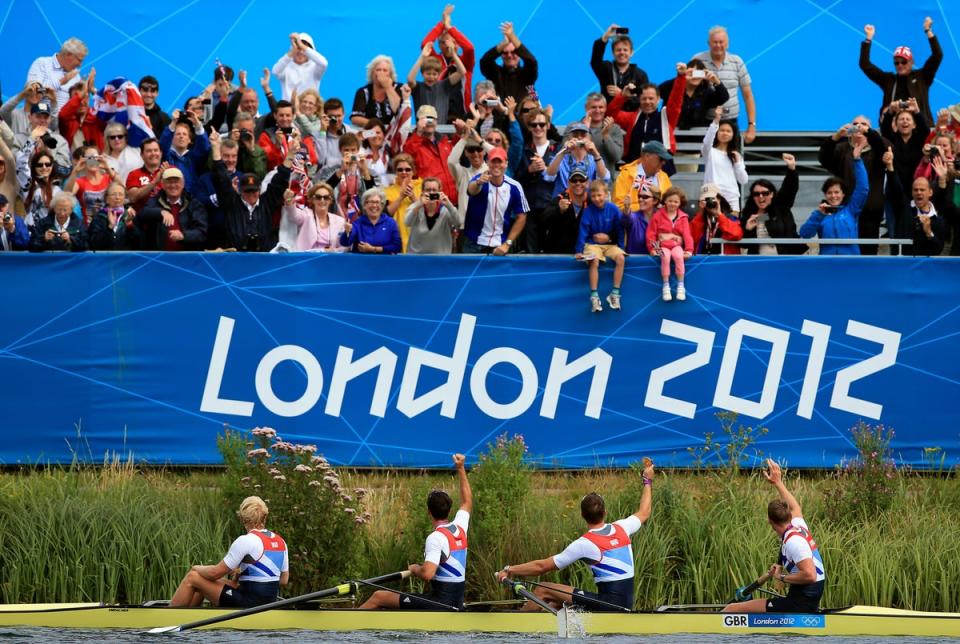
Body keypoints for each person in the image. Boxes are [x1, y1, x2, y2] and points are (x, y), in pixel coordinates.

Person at [496, 459, 653, 612]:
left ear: (582, 516)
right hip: (625, 604)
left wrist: (510, 569)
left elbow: (542, 567)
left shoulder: (585, 543)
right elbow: (644, 512)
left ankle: (517, 629)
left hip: (608, 606)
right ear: (605, 513)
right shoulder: (622, 528)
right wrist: (647, 482)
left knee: (542, 590)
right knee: (557, 602)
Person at [361, 453, 471, 610]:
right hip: (456, 602)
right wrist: (460, 468)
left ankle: (345, 630)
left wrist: (414, 569)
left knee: (379, 596)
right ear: (449, 509)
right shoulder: (460, 527)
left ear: (428, 512)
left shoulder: (435, 538)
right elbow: (467, 501)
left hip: (440, 604)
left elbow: (427, 574)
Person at [723, 459, 825, 614]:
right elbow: (795, 506)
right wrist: (778, 482)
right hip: (802, 599)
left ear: (769, 521)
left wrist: (781, 577)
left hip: (800, 604)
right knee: (742, 607)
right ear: (788, 516)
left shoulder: (794, 542)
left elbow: (810, 576)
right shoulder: (797, 525)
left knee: (731, 609)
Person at [170, 496, 289, 608]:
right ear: (265, 517)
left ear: (243, 519)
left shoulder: (246, 540)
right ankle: (190, 616)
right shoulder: (281, 541)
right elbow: (283, 580)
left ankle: (170, 617)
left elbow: (214, 573)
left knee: (193, 577)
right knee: (204, 581)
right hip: (269, 602)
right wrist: (253, 578)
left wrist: (195, 567)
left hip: (250, 603)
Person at [818, 116, 892, 255]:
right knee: (845, 250)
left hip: (870, 209)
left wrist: (869, 132)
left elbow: (887, 147)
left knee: (868, 252)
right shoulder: (841, 148)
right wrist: (836, 137)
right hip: (845, 209)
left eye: (863, 124)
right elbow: (824, 159)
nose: (859, 126)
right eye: (855, 124)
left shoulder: (878, 148)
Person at [211, 130, 293, 252]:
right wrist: (215, 147)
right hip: (235, 258)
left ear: (260, 190)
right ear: (240, 191)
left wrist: (291, 154)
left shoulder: (266, 203)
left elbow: (279, 181)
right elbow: (221, 178)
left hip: (263, 259)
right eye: (247, 191)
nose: (251, 195)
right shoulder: (232, 203)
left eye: (254, 191)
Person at [860, 18, 942, 126]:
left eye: (904, 62)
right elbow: (865, 64)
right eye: (896, 63)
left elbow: (937, 55)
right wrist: (868, 39)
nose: (900, 65)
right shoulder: (888, 80)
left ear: (912, 62)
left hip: (920, 129)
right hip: (894, 131)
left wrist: (928, 30)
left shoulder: (922, 76)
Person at [607, 65, 685, 166]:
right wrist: (622, 96)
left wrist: (681, 77)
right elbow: (610, 115)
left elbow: (676, 100)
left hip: (660, 170)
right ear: (639, 99)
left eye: (651, 98)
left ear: (658, 99)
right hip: (634, 169)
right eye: (644, 98)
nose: (647, 102)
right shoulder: (632, 118)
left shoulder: (666, 117)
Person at [800, 143, 868, 255]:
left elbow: (863, 188)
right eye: (829, 193)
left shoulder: (851, 210)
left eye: (837, 192)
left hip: (851, 261)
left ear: (843, 194)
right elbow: (805, 234)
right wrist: (819, 215)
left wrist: (857, 159)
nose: (833, 196)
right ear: (825, 195)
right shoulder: (819, 214)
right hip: (827, 263)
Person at [693, 26, 757, 144]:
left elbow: (748, 96)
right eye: (715, 42)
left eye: (721, 42)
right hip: (706, 122)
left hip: (731, 123)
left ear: (727, 44)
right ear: (708, 43)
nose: (718, 45)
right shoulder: (698, 60)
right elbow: (689, 88)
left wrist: (751, 125)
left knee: (732, 159)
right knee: (706, 161)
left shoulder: (737, 62)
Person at [885, 149, 953, 256]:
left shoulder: (937, 218)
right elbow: (896, 189)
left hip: (926, 268)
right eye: (915, 190)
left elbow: (938, 249)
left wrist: (929, 232)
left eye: (922, 190)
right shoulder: (904, 208)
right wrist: (890, 166)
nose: (918, 193)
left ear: (930, 192)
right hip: (904, 265)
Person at [463, 147, 528, 254]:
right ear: (487, 162)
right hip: (473, 243)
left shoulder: (514, 186)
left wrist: (508, 243)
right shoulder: (479, 179)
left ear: (506, 163)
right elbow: (471, 190)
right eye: (493, 161)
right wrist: (479, 182)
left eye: (500, 161)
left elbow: (522, 216)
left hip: (500, 245)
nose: (496, 165)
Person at [576, 181, 625, 313]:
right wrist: (579, 250)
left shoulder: (614, 209)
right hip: (592, 244)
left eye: (599, 195)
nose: (597, 199)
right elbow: (583, 231)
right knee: (594, 261)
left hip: (609, 245)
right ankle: (594, 296)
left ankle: (615, 294)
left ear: (606, 194)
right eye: (593, 196)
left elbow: (620, 229)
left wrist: (621, 246)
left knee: (621, 258)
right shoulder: (587, 211)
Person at [419, 4, 475, 119]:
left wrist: (449, 27)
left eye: (452, 42)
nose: (447, 45)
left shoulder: (465, 62)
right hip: (438, 114)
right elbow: (425, 44)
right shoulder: (435, 60)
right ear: (438, 45)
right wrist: (442, 23)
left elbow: (469, 48)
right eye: (443, 42)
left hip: (462, 114)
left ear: (458, 44)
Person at [740, 154, 803, 255]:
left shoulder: (781, 208)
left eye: (765, 193)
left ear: (772, 194)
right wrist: (748, 229)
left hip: (784, 259)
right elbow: (744, 244)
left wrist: (791, 169)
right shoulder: (748, 214)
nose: (761, 197)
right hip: (758, 262)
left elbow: (789, 189)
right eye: (756, 194)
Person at [517, 109, 562, 252]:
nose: (538, 128)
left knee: (551, 250)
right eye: (534, 124)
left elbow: (565, 176)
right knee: (531, 252)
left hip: (552, 206)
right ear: (529, 127)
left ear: (548, 126)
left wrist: (547, 169)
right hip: (530, 207)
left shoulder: (558, 148)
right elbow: (516, 179)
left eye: (541, 124)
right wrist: (529, 170)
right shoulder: (523, 149)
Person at [139, 167, 208, 251]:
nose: (173, 185)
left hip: (187, 257)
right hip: (159, 257)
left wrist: (183, 235)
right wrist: (161, 212)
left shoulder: (194, 204)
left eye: (176, 182)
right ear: (163, 185)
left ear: (183, 184)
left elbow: (201, 232)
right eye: (169, 182)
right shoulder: (155, 201)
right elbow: (142, 214)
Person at [403, 105, 457, 205]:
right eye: (425, 119)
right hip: (430, 203)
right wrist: (419, 132)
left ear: (436, 121)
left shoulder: (445, 142)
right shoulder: (412, 143)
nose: (429, 122)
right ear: (418, 122)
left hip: (453, 200)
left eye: (432, 118)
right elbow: (406, 158)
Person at [647, 187, 693, 302]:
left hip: (676, 246)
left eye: (676, 201)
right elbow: (651, 234)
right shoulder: (657, 215)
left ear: (680, 203)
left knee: (678, 256)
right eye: (670, 201)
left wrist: (689, 250)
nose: (673, 204)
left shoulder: (683, 217)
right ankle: (666, 286)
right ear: (665, 201)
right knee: (665, 256)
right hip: (662, 246)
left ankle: (681, 286)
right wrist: (653, 248)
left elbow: (687, 235)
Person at [567, 94, 624, 183]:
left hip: (603, 188)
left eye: (601, 107)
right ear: (586, 108)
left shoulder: (614, 129)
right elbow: (565, 151)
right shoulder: (572, 127)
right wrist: (585, 129)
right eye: (593, 107)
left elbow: (616, 157)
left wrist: (606, 135)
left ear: (605, 108)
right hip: (577, 184)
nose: (597, 111)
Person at [658, 59, 729, 130]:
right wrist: (681, 77)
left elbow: (723, 97)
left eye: (698, 73)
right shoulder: (673, 87)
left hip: (697, 134)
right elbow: (657, 92)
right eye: (691, 73)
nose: (694, 76)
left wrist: (715, 80)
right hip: (669, 133)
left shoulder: (706, 92)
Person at [881, 100, 930, 202]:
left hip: (916, 190)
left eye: (908, 119)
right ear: (896, 124)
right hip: (894, 188)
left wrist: (916, 111)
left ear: (914, 125)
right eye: (901, 119)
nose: (905, 121)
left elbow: (925, 130)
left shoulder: (919, 139)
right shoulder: (892, 139)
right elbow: (884, 129)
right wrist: (890, 111)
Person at [479, 21, 538, 103]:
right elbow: (485, 61)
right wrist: (504, 43)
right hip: (499, 114)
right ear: (501, 55)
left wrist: (512, 36)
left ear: (520, 54)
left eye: (514, 52)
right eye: (505, 53)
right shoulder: (495, 73)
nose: (509, 55)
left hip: (520, 115)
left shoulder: (527, 75)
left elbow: (531, 61)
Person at [407, 44, 466, 126]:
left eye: (434, 74)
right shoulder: (418, 88)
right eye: (428, 74)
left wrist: (453, 55)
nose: (431, 77)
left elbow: (462, 72)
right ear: (422, 73)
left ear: (439, 74)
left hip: (441, 133)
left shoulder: (444, 85)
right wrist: (422, 57)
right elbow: (410, 79)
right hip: (422, 132)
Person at [545, 123, 609, 198]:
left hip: (587, 202)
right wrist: (563, 150)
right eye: (575, 135)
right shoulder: (560, 157)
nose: (579, 137)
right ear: (568, 139)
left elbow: (604, 179)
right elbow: (549, 176)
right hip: (563, 202)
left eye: (583, 135)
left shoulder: (595, 159)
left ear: (590, 139)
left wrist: (596, 154)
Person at [701, 110, 747, 215]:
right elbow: (707, 142)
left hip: (731, 197)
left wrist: (738, 164)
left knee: (732, 228)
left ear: (733, 134)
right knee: (712, 228)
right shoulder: (710, 152)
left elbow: (743, 180)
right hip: (712, 195)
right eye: (722, 130)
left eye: (728, 131)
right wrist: (716, 121)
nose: (725, 133)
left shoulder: (736, 155)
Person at [281, 182, 347, 252]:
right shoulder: (306, 214)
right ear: (312, 200)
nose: (322, 200)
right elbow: (293, 215)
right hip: (307, 259)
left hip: (330, 259)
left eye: (326, 197)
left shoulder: (340, 221)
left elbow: (345, 246)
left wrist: (334, 251)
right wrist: (289, 200)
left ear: (330, 201)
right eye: (318, 197)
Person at [591, 25, 649, 103]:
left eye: (625, 50)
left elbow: (643, 99)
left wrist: (622, 94)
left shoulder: (640, 75)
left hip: (630, 114)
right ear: (613, 53)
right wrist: (605, 37)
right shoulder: (606, 69)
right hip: (607, 114)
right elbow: (595, 60)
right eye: (618, 50)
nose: (622, 52)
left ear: (631, 52)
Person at [27, 37, 88, 111]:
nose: (80, 65)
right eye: (79, 60)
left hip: (62, 121)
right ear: (68, 54)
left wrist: (88, 90)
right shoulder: (42, 63)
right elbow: (33, 92)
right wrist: (61, 82)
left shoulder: (76, 76)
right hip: (39, 118)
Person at [613, 141, 673, 216]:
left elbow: (671, 202)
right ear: (647, 156)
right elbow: (619, 205)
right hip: (633, 224)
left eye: (665, 160)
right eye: (661, 159)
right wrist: (648, 208)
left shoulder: (664, 177)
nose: (664, 163)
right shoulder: (626, 175)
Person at [159, 111, 211, 194]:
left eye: (184, 134)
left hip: (192, 199)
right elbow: (162, 146)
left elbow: (204, 147)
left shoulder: (194, 157)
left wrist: (197, 124)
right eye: (178, 134)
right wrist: (173, 122)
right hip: (170, 197)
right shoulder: (167, 156)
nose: (181, 136)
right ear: (172, 139)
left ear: (189, 140)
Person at [543, 165, 590, 254]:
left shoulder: (592, 201)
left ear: (587, 182)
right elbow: (544, 221)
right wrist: (559, 211)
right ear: (568, 183)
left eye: (582, 180)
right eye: (574, 180)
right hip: (558, 254)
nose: (578, 183)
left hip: (584, 254)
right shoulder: (559, 199)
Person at [405, 177, 460, 254]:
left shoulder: (446, 210)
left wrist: (449, 205)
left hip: (440, 259)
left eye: (434, 190)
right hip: (417, 258)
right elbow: (407, 222)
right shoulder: (415, 206)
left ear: (440, 192)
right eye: (428, 190)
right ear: (422, 192)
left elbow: (458, 223)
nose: (431, 192)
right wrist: (419, 204)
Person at [340, 187, 402, 254]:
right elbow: (345, 243)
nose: (374, 205)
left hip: (384, 262)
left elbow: (397, 246)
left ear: (382, 205)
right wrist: (347, 232)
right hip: (362, 262)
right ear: (364, 205)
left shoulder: (391, 223)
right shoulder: (358, 223)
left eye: (377, 202)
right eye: (371, 202)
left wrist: (374, 249)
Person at [67, 144, 116, 225]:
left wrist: (107, 167)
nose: (93, 161)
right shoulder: (80, 181)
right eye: (89, 158)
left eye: (95, 157)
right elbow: (67, 195)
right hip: (90, 227)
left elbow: (123, 189)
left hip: (111, 223)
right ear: (84, 160)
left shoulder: (108, 177)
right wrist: (75, 171)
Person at [689, 184, 743, 255]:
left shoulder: (730, 217)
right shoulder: (698, 219)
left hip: (723, 261)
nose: (709, 202)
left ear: (719, 199)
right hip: (703, 260)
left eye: (711, 198)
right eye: (706, 199)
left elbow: (736, 235)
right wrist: (701, 212)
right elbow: (692, 238)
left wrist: (719, 215)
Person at [351, 56, 404, 128]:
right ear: (372, 73)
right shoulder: (363, 91)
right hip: (371, 132)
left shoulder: (399, 88)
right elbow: (355, 118)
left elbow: (398, 111)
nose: (381, 73)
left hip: (394, 133)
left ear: (390, 74)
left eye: (385, 70)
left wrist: (388, 87)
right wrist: (378, 126)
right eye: (378, 70)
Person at [272, 33, 328, 99]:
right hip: (289, 108)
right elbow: (275, 71)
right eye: (298, 48)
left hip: (310, 108)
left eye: (304, 50)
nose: (301, 52)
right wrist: (292, 52)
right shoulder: (286, 67)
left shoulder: (315, 68)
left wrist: (301, 45)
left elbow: (324, 63)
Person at [384, 153, 421, 251]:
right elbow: (387, 213)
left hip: (418, 236)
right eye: (400, 169)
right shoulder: (388, 190)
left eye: (407, 169)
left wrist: (413, 197)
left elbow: (426, 212)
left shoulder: (422, 186)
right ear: (395, 172)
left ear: (413, 171)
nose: (404, 172)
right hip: (397, 236)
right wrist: (401, 197)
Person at [87, 183, 139, 250]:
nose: (117, 197)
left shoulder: (131, 214)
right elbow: (94, 244)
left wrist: (129, 225)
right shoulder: (99, 217)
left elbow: (139, 243)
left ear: (124, 198)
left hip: (125, 258)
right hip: (105, 257)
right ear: (107, 199)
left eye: (120, 194)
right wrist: (110, 227)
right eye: (114, 194)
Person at [21, 150, 62, 227]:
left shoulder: (57, 189)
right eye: (40, 165)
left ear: (52, 166)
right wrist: (31, 140)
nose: (44, 167)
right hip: (33, 230)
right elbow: (20, 162)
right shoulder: (28, 185)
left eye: (48, 164)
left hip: (52, 230)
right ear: (34, 167)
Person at [620, 184, 661, 255]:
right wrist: (626, 208)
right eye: (639, 196)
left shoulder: (662, 218)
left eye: (645, 197)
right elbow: (626, 220)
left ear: (655, 200)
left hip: (658, 262)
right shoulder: (634, 216)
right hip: (636, 262)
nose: (640, 199)